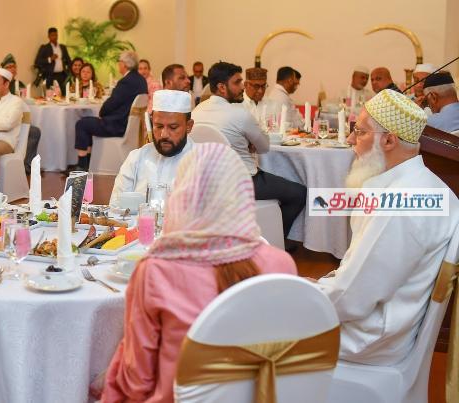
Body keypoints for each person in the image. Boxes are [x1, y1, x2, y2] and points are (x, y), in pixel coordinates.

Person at [100, 143, 297, 402]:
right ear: (243, 195)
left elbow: (137, 380)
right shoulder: (282, 265)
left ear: (182, 195)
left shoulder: (157, 271)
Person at [317, 89, 459, 366]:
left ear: (389, 140)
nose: (350, 140)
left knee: (259, 327)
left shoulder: (399, 205)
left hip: (366, 336)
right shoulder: (426, 185)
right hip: (385, 324)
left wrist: (303, 295)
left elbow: (350, 299)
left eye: (359, 132)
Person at [192, 62, 306, 243]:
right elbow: (264, 147)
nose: (242, 87)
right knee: (299, 192)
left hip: (206, 182)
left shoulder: (197, 111)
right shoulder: (239, 114)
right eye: (237, 82)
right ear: (222, 87)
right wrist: (247, 143)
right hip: (242, 181)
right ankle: (275, 240)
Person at [110, 90, 194, 207]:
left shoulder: (202, 162)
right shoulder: (137, 158)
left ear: (189, 126)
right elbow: (115, 206)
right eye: (159, 126)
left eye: (173, 127)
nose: (164, 135)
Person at [72, 50, 147, 171]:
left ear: (124, 64)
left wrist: (102, 113)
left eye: (119, 62)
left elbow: (112, 103)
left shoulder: (126, 81)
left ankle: (81, 166)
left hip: (118, 125)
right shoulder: (141, 80)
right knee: (88, 123)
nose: (118, 64)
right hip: (130, 125)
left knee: (82, 124)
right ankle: (87, 163)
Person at [34, 27, 72, 94]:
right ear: (48, 36)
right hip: (50, 76)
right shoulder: (45, 48)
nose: (55, 37)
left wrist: (69, 71)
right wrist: (50, 59)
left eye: (56, 35)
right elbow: (37, 61)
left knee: (63, 94)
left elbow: (69, 60)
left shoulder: (62, 47)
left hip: (62, 75)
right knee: (51, 95)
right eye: (52, 35)